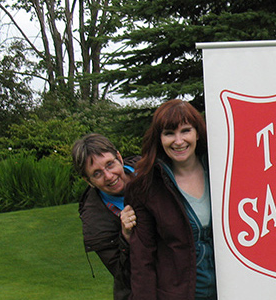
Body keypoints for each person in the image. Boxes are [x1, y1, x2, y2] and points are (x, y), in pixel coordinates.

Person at [126, 99, 217, 300]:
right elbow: (142, 261)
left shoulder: (222, 171)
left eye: (185, 130)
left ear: (197, 133)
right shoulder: (146, 188)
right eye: (169, 133)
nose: (178, 141)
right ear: (159, 138)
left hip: (232, 291)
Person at [72, 133, 139, 300]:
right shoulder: (96, 223)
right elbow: (123, 276)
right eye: (97, 174)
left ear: (119, 157)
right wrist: (126, 237)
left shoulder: (150, 169)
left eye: (110, 164)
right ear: (88, 181)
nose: (109, 176)